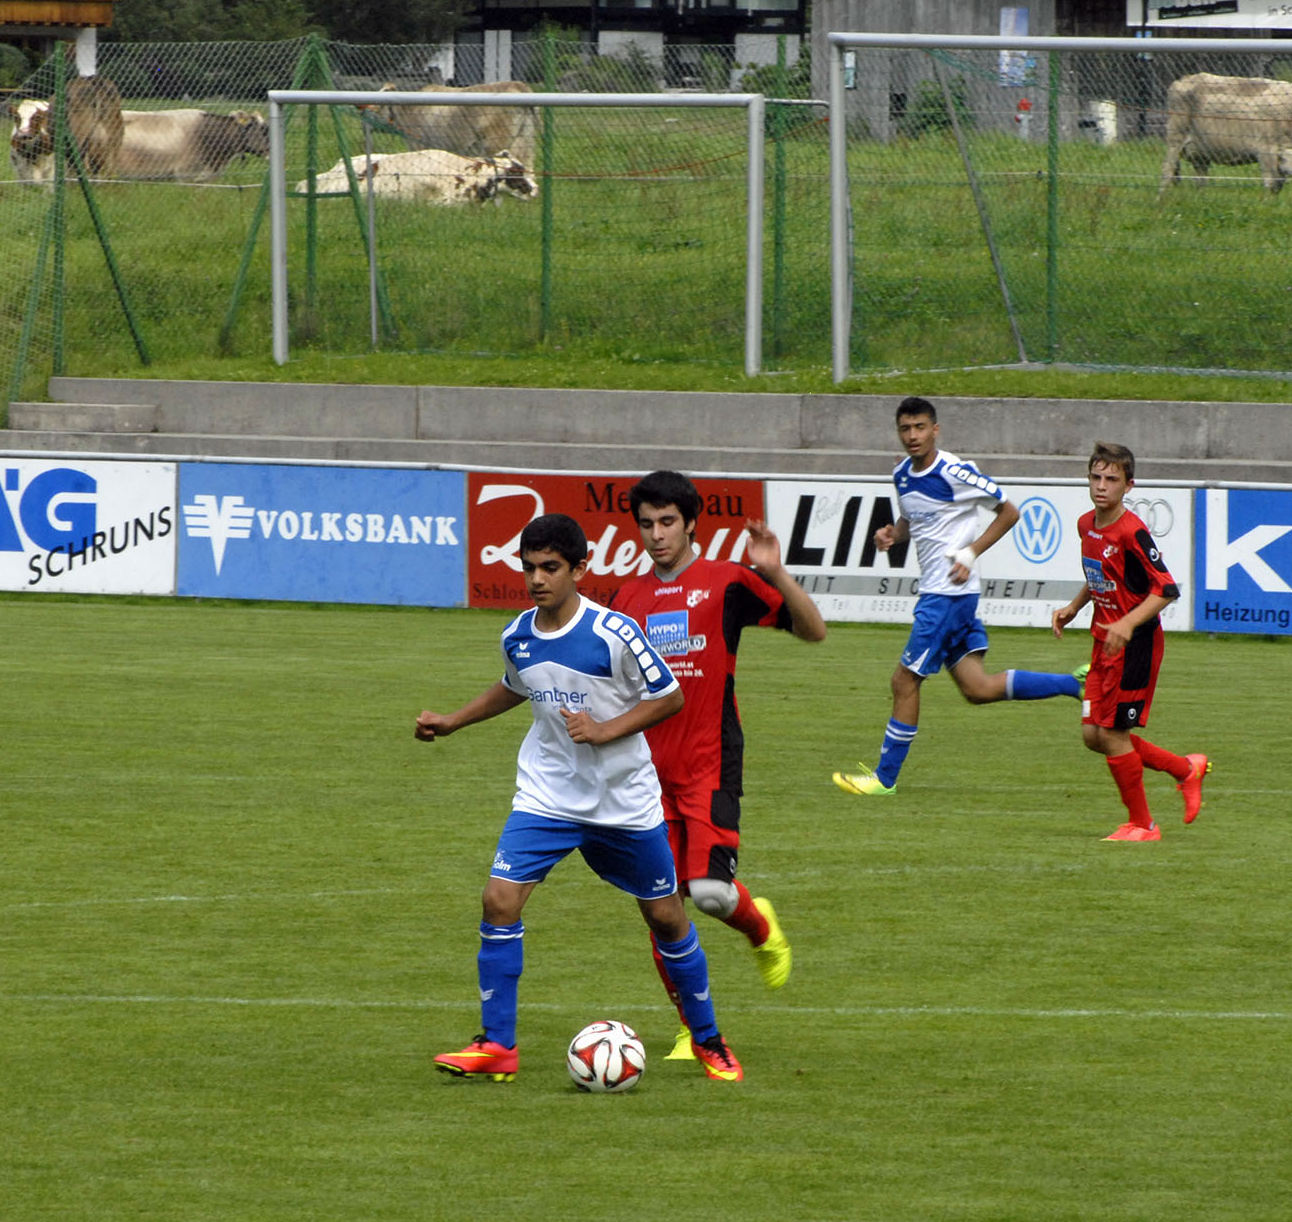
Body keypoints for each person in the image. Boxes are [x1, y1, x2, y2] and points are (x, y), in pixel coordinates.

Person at [417, 513, 745, 1083]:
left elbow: (669, 697)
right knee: (499, 901)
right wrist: (453, 721)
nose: (537, 579)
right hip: (547, 795)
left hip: (624, 802)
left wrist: (604, 729)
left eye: (551, 567)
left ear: (579, 569)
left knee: (666, 916)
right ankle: (497, 1045)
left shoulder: (615, 633)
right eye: (529, 568)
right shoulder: (517, 634)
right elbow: (515, 686)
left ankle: (708, 1039)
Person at [613, 470, 827, 1060]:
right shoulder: (625, 600)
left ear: (690, 524)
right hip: (643, 776)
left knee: (709, 893)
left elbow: (814, 631)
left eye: (668, 522)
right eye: (647, 524)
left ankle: (762, 929)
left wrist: (775, 572)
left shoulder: (726, 582)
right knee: (663, 908)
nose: (657, 535)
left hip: (709, 763)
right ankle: (692, 1027)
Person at [832, 397, 1086, 796]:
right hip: (945, 595)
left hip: (947, 596)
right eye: (905, 428)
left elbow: (1009, 511)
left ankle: (884, 779)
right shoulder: (901, 474)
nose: (912, 435)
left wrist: (971, 553)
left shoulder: (954, 472)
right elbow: (911, 519)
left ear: (935, 430)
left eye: (920, 427)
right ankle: (1074, 684)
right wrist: (892, 535)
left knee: (904, 680)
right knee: (977, 688)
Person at [1048, 442, 1209, 842]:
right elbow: (1101, 575)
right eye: (1096, 477)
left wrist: (1126, 623)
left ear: (1128, 485)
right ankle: (1185, 769)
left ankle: (1143, 825)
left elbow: (1166, 588)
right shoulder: (1086, 524)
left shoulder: (1132, 530)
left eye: (1111, 479)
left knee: (1112, 735)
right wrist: (1074, 607)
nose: (1101, 486)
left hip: (1135, 644)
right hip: (1104, 643)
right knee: (1093, 736)